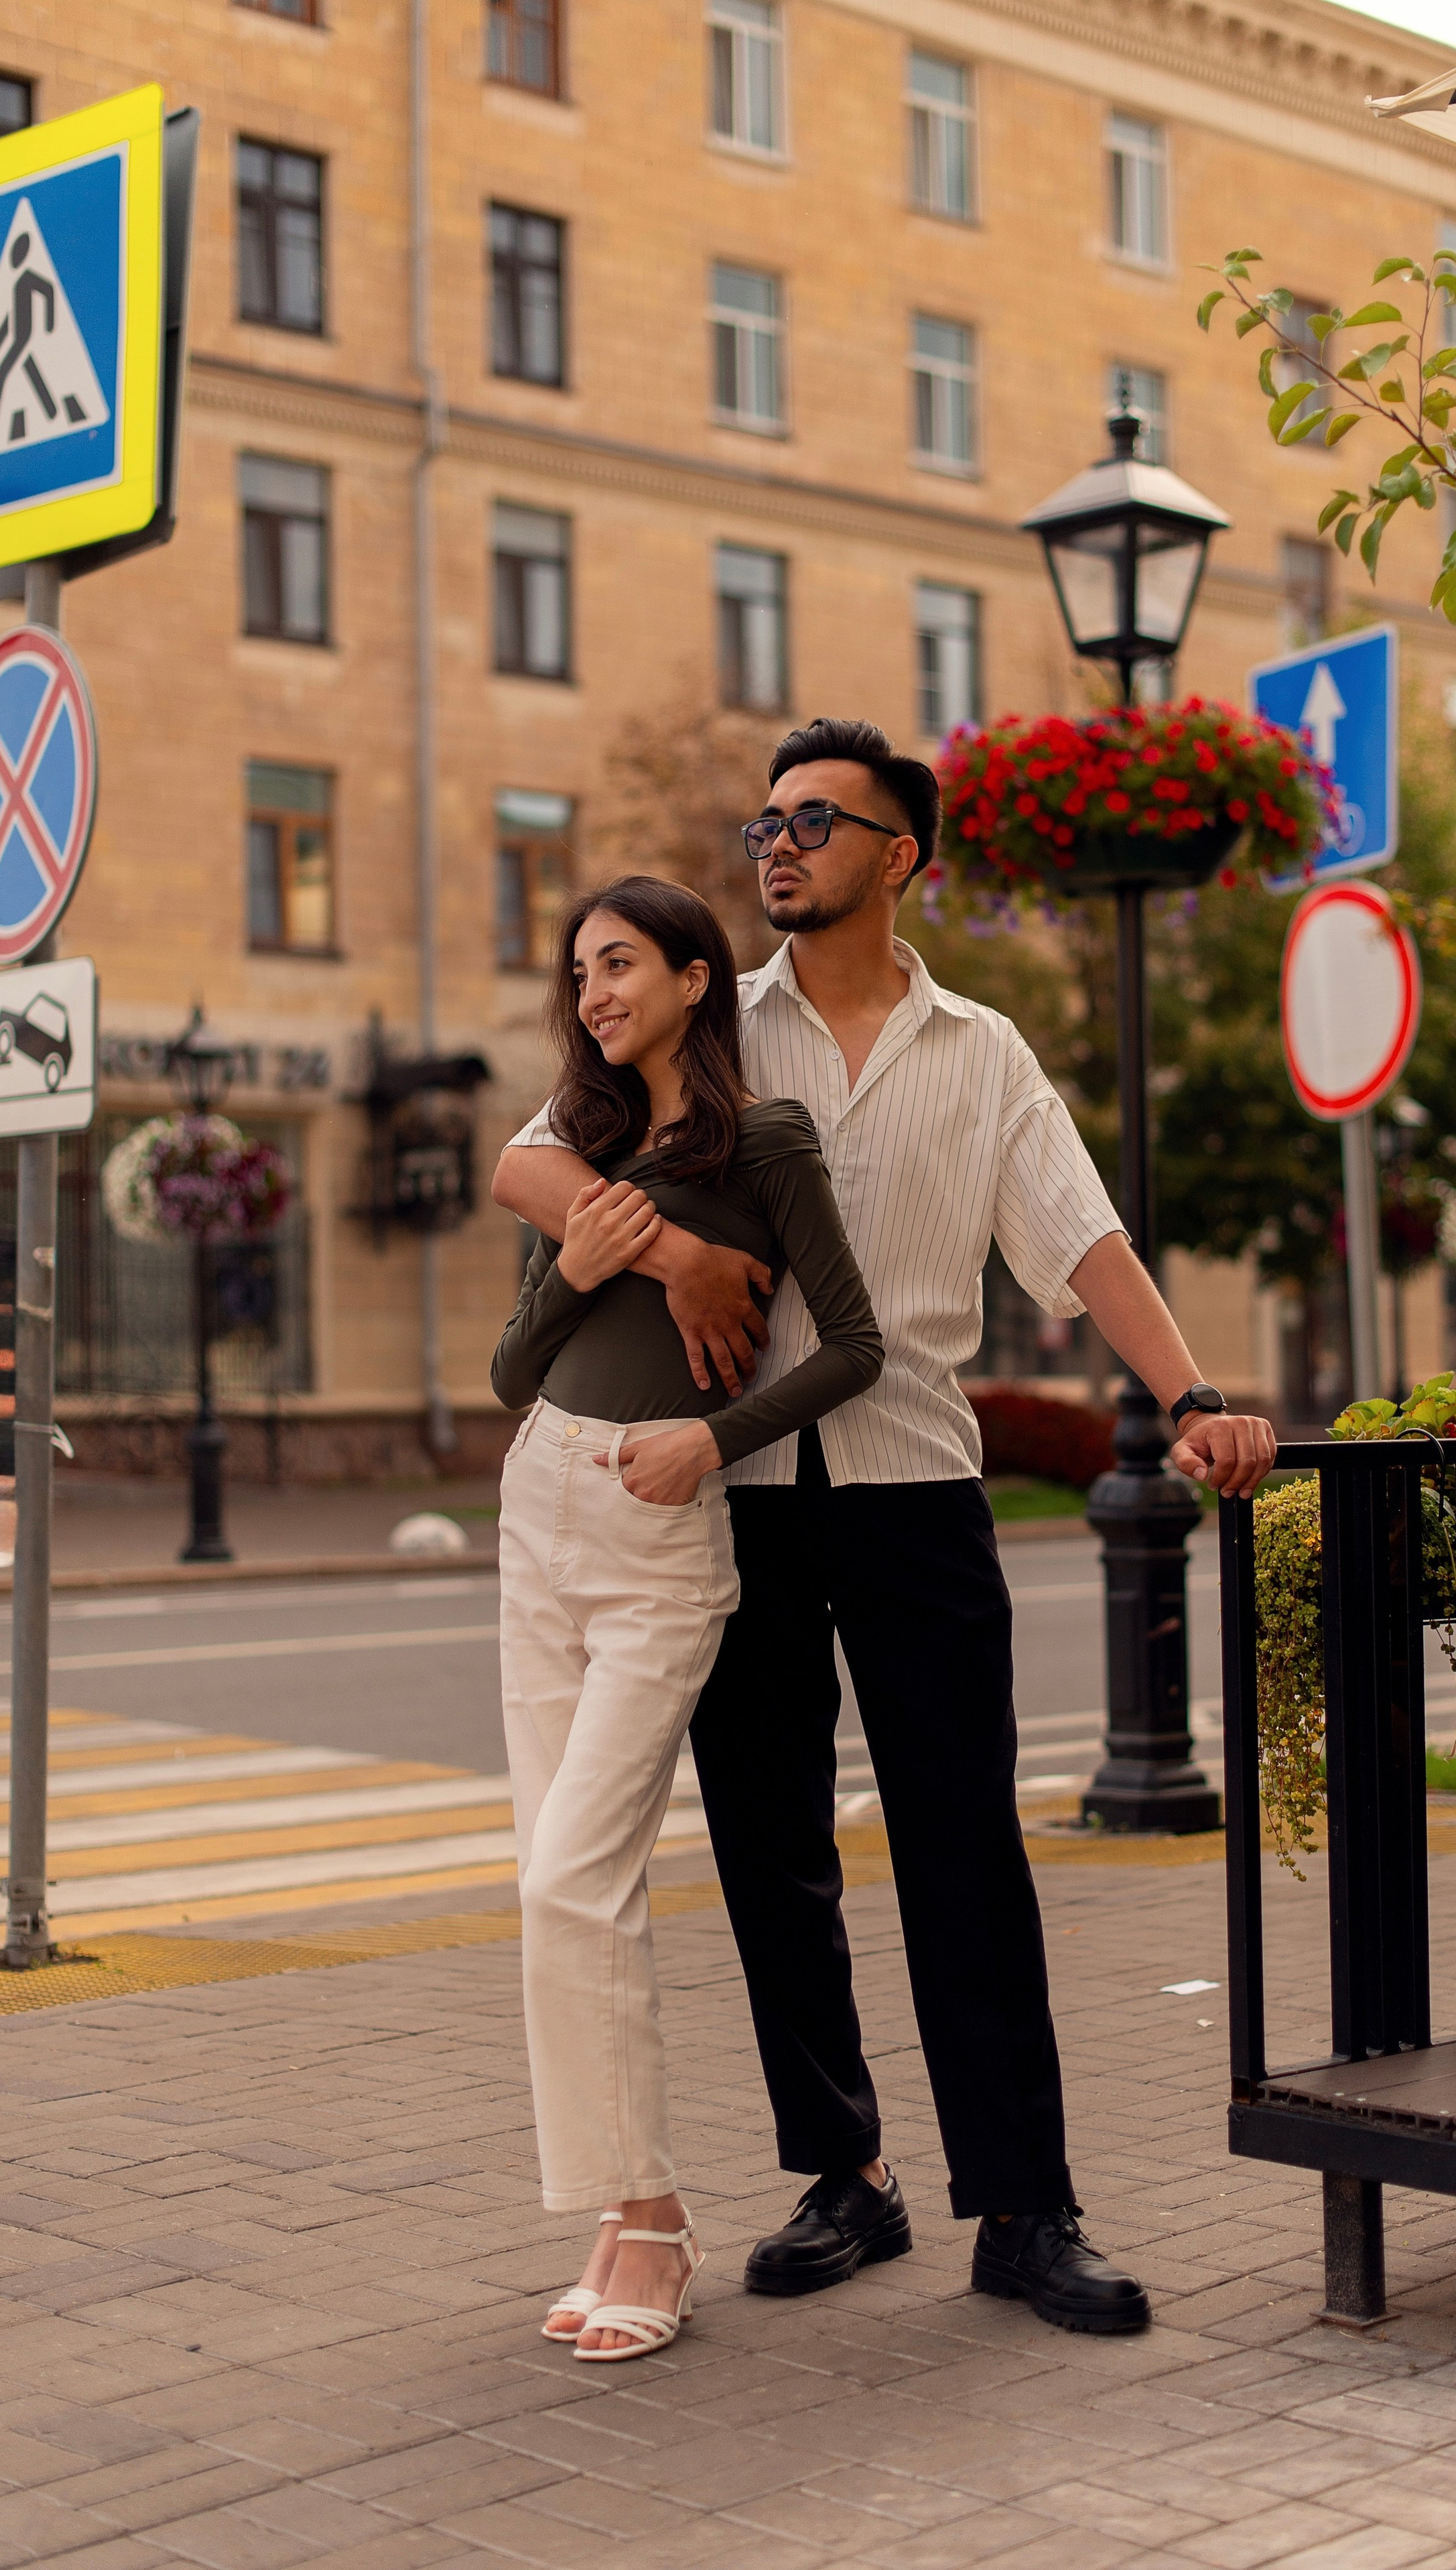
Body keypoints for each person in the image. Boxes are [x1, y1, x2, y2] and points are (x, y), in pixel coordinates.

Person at [494, 720, 1276, 2337]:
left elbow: (1085, 1243)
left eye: (814, 822)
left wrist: (1191, 1391)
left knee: (962, 1854)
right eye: (764, 820)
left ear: (898, 856)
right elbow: (535, 1158)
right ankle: (840, 2176)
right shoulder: (711, 1030)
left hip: (917, 1488)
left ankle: (1024, 2205)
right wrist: (675, 1265)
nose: (774, 844)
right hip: (734, 1503)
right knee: (773, 1859)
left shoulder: (981, 1052)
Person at [490, 873, 881, 2363]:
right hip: (541, 1509)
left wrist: (713, 1441)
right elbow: (510, 1373)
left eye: (620, 964)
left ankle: (649, 2220)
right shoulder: (576, 1149)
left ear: (696, 978)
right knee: (566, 1888)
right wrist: (598, 1261)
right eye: (577, 970)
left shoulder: (765, 1141)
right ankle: (625, 2208)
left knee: (564, 1885)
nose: (593, 992)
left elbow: (853, 1345)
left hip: (662, 1535)